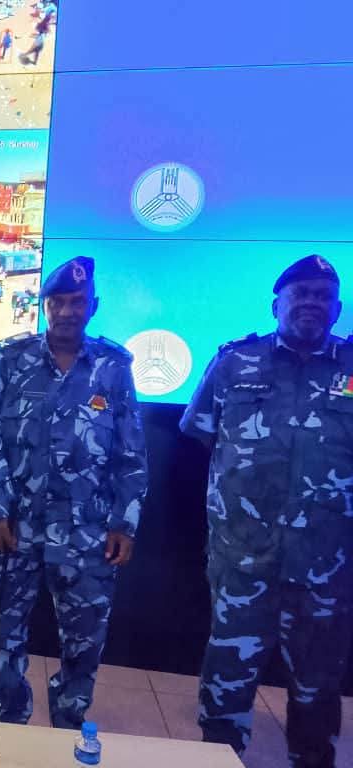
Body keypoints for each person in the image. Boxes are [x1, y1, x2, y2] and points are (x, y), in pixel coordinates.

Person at [180, 255, 353, 767]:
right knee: (226, 682)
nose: (311, 303)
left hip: (325, 568)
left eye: (323, 296)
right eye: (301, 293)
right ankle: (219, 759)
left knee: (318, 690)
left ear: (337, 308)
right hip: (244, 560)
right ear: (276, 304)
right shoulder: (235, 362)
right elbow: (203, 433)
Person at [0, 257, 147, 728]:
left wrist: (125, 523)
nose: (68, 311)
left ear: (94, 305)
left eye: (77, 302)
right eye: (58, 302)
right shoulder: (13, 359)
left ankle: (68, 724)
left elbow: (131, 451)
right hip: (16, 527)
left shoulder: (114, 366)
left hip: (86, 533)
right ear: (45, 306)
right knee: (3, 635)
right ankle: (11, 719)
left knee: (84, 642)